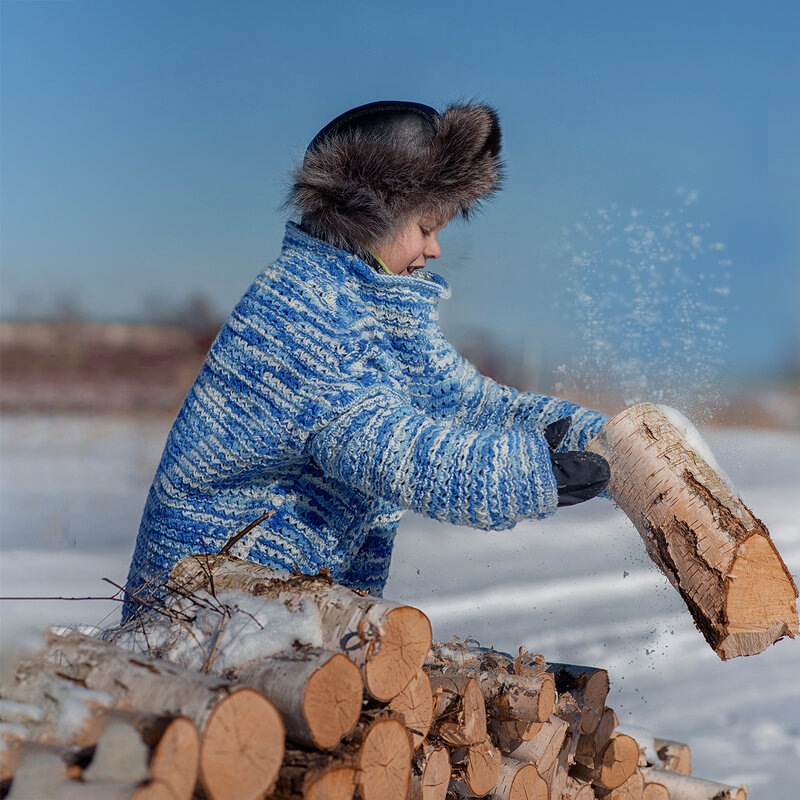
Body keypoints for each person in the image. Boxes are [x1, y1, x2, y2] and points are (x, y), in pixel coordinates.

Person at [124, 100, 610, 613]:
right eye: (426, 228)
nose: (437, 249)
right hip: (204, 600)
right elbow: (390, 448)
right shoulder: (302, 310)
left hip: (285, 605)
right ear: (370, 215)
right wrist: (526, 472)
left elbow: (459, 401)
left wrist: (594, 434)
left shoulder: (371, 306)